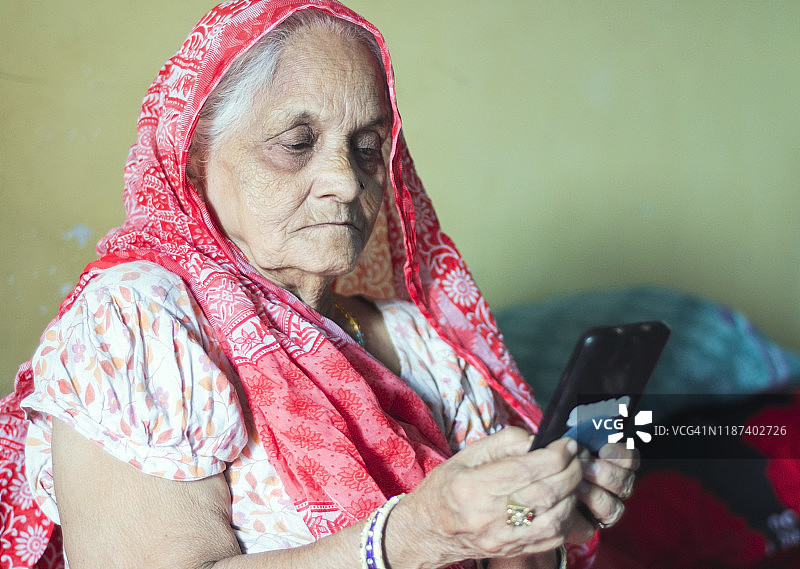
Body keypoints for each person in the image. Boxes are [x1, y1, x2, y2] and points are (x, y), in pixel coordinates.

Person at [1, 2, 637, 568]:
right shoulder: (139, 324)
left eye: (367, 147)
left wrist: (546, 513)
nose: (347, 180)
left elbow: (505, 551)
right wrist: (412, 535)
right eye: (296, 142)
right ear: (195, 160)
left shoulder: (423, 345)